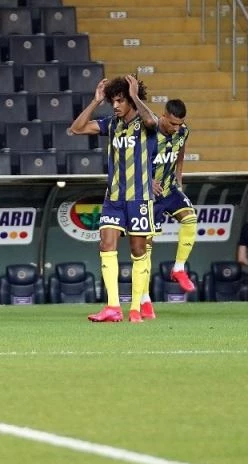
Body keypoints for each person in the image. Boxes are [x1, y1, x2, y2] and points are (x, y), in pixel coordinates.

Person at [70, 74, 157, 323]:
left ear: (131, 100)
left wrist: (136, 97)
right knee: (106, 245)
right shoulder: (111, 124)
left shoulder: (145, 122)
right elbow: (77, 128)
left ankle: (136, 308)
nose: (116, 106)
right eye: (113, 102)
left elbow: (151, 120)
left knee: (138, 250)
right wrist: (96, 101)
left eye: (120, 101)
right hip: (114, 198)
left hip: (140, 198)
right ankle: (113, 307)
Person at [143, 99, 196, 319]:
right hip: (147, 196)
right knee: (145, 248)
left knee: (190, 218)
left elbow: (180, 151)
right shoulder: (148, 132)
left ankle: (179, 268)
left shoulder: (182, 132)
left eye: (179, 124)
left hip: (169, 190)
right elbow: (130, 160)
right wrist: (147, 180)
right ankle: (144, 299)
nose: (176, 128)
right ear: (163, 116)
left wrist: (179, 178)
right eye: (173, 123)